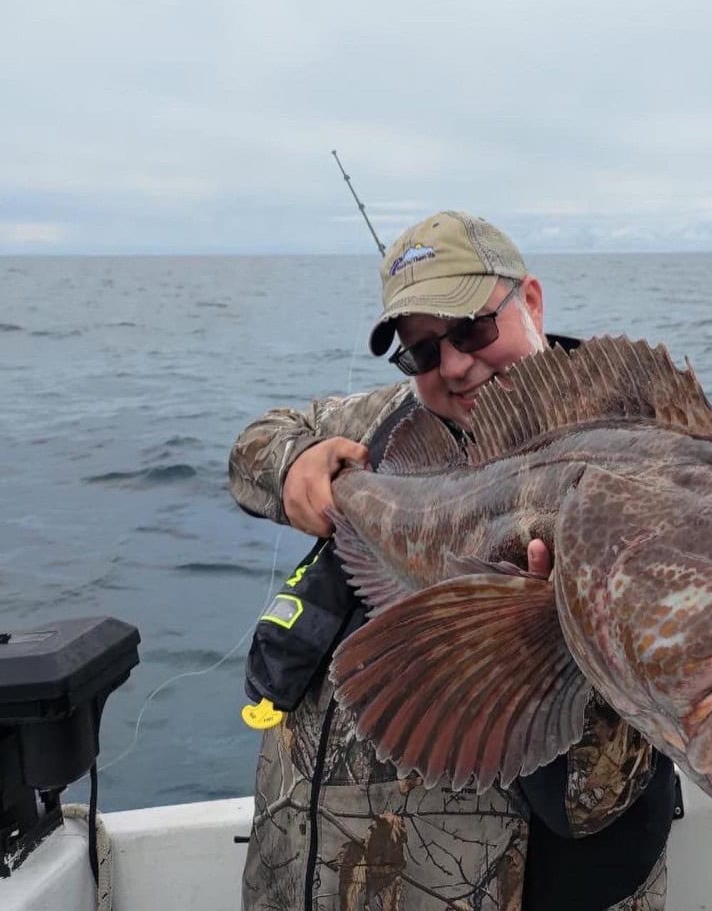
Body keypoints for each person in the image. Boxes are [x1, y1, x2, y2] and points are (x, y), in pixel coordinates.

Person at [229, 211, 676, 911]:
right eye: (422, 352)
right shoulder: (378, 423)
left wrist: (558, 628)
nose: (455, 365)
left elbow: (599, 796)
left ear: (529, 301)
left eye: (471, 330)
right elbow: (257, 440)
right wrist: (294, 468)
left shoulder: (628, 454)